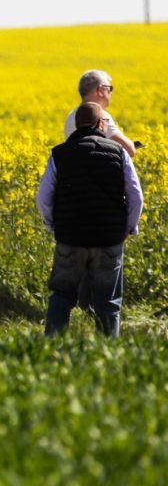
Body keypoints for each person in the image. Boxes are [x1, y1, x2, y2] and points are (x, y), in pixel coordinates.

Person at [37, 102, 143, 337]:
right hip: (109, 239)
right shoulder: (119, 153)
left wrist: (52, 224)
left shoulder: (60, 153)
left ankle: (50, 351)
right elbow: (136, 195)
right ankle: (106, 356)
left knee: (62, 297)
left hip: (70, 238)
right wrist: (128, 228)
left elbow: (43, 198)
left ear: (77, 125)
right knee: (108, 301)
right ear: (100, 124)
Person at [63, 70, 136, 157]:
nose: (111, 93)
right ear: (100, 90)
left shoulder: (70, 116)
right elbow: (130, 150)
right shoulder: (101, 117)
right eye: (110, 89)